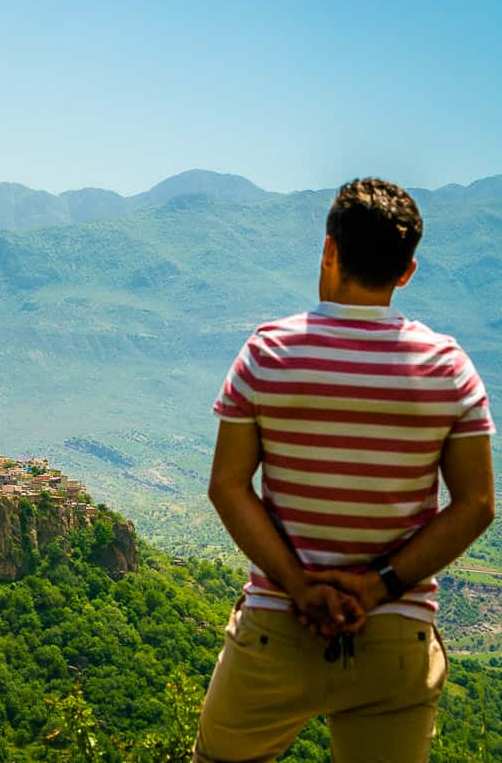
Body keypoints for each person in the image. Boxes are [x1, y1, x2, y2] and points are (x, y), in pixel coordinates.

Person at [194, 178, 495, 762]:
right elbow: (476, 504)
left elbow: (228, 486)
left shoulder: (267, 353)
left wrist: (300, 584)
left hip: (278, 629)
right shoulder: (448, 367)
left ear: (329, 250)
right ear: (406, 271)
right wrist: (378, 584)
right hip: (393, 637)